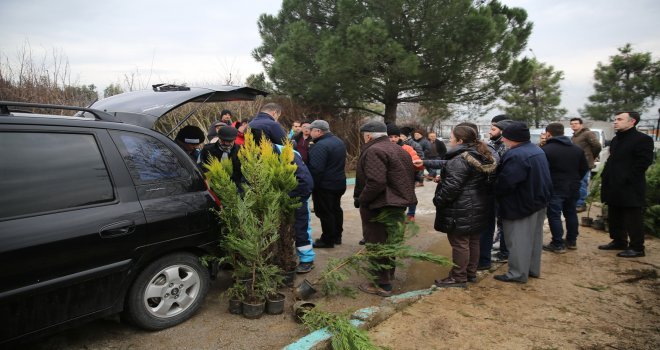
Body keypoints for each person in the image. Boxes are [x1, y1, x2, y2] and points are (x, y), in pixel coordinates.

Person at [354, 121, 417, 297]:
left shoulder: (374, 150)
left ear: (367, 136)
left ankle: (381, 284)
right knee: (390, 242)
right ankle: (388, 275)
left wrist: (363, 200)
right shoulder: (398, 149)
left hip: (380, 205)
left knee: (377, 244)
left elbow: (376, 182)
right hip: (397, 204)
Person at [433, 126, 497, 287]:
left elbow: (452, 188)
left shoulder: (460, 159)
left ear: (460, 141)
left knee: (460, 242)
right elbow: (468, 180)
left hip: (462, 206)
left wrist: (438, 200)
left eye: (452, 137)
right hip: (478, 204)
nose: (450, 140)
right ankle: (470, 273)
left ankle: (458, 277)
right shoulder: (482, 155)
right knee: (473, 240)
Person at [251, 128, 316, 273]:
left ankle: (307, 259)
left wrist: (289, 199)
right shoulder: (252, 155)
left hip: (296, 198)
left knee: (301, 228)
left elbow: (305, 182)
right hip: (273, 202)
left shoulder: (288, 153)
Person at [494, 121, 552, 283]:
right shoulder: (536, 150)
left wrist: (494, 191)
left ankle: (517, 273)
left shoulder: (516, 155)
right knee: (534, 239)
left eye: (505, 137)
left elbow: (507, 183)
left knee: (518, 240)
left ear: (514, 138)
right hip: (538, 202)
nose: (503, 140)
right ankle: (532, 269)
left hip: (520, 204)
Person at [599, 111, 654, 258]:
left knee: (632, 217)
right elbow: (612, 160)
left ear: (632, 122)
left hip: (630, 186)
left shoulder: (643, 139)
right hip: (613, 184)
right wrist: (606, 176)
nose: (615, 122)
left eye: (619, 119)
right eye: (615, 119)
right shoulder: (617, 139)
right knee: (615, 214)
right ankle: (619, 241)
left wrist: (627, 178)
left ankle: (637, 247)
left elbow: (643, 162)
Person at [541, 123, 588, 253]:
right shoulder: (577, 149)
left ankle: (558, 243)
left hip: (555, 187)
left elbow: (543, 171)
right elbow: (584, 168)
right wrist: (575, 179)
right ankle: (572, 241)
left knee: (554, 214)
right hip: (573, 186)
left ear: (548, 133)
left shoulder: (546, 150)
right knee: (571, 213)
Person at [307, 120, 347, 248]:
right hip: (339, 183)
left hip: (325, 186)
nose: (309, 133)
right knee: (335, 209)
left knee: (325, 212)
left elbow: (316, 169)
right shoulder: (338, 141)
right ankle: (337, 236)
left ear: (318, 131)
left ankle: (327, 240)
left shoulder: (321, 146)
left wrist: (312, 186)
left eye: (311, 130)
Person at [570, 117, 602, 212]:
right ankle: (576, 202)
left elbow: (597, 146)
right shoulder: (574, 136)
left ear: (581, 124)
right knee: (576, 183)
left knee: (582, 183)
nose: (573, 125)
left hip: (585, 163)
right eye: (572, 124)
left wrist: (592, 156)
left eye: (576, 123)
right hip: (576, 163)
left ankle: (581, 204)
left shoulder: (587, 134)